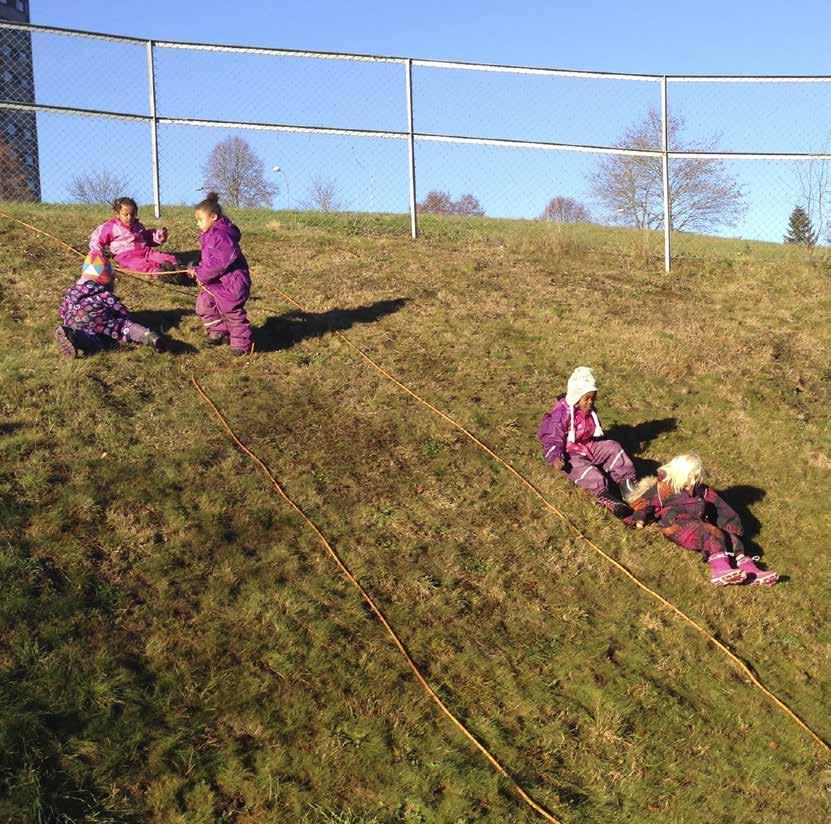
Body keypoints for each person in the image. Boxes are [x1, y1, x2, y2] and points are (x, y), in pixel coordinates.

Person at [624, 453, 779, 586]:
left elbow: (721, 508)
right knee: (708, 532)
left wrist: (732, 528)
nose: (693, 481)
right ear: (679, 473)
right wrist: (640, 517)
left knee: (729, 538)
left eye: (696, 477)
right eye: (690, 477)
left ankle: (750, 572)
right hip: (676, 524)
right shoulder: (663, 488)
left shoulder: (701, 490)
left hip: (697, 522)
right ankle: (720, 569)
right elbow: (645, 503)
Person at [538, 366, 637, 516]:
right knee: (587, 471)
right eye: (587, 398)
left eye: (593, 397)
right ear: (577, 396)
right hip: (569, 453)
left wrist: (601, 445)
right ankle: (605, 496)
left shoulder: (589, 411)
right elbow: (552, 437)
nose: (590, 402)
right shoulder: (561, 413)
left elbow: (594, 432)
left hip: (587, 446)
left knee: (613, 447)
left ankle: (627, 485)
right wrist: (555, 456)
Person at [54, 253, 168, 357]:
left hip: (73, 319)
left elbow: (63, 310)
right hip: (97, 316)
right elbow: (119, 310)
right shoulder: (103, 293)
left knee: (87, 334)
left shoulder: (73, 291)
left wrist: (66, 317)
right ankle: (148, 336)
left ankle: (73, 335)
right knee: (123, 326)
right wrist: (125, 316)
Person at [189, 192, 253, 356]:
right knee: (204, 303)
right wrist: (196, 268)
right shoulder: (208, 235)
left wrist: (201, 273)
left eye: (200, 219)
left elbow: (221, 261)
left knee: (231, 309)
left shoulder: (221, 235)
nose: (198, 224)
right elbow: (209, 259)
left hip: (232, 281)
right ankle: (218, 330)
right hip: (216, 281)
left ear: (213, 217)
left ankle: (241, 344)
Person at [89, 196, 180, 279]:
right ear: (117, 214)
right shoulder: (111, 227)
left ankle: (178, 268)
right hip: (126, 256)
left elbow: (147, 237)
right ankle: (159, 273)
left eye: (132, 214)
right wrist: (96, 253)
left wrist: (159, 236)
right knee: (139, 265)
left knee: (164, 257)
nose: (129, 217)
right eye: (126, 214)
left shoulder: (138, 226)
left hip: (145, 252)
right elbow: (97, 239)